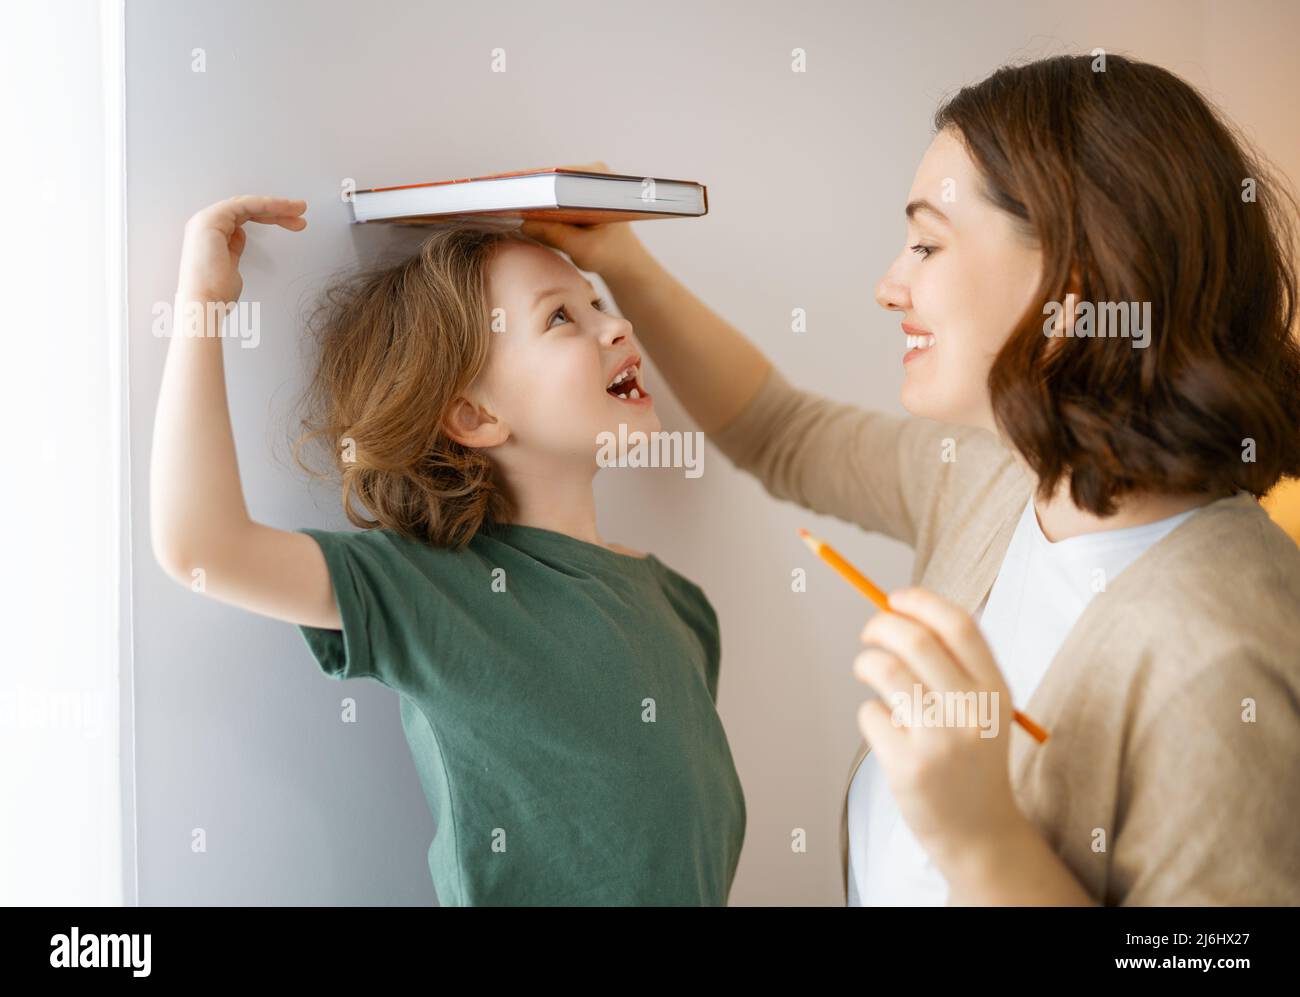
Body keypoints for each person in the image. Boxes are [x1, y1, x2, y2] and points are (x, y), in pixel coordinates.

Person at [523, 53, 1300, 904]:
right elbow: (779, 430)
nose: (889, 287)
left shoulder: (1229, 657)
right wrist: (621, 261)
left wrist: (987, 841)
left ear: (1070, 292)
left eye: (927, 243)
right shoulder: (1000, 480)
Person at [150, 206, 746, 905]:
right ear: (473, 415)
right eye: (561, 318)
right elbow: (203, 546)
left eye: (598, 303)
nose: (617, 326)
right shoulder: (434, 590)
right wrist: (201, 304)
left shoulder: (681, 608)